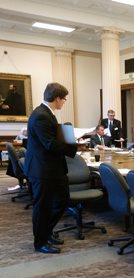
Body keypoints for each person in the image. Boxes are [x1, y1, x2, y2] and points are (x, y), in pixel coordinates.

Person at [24, 82, 78, 254]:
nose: (64, 102)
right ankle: (40, 242)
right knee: (43, 207)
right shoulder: (41, 115)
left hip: (52, 169)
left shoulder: (47, 113)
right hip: (42, 170)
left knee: (62, 200)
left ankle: (47, 232)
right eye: (64, 99)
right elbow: (49, 144)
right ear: (57, 98)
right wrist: (74, 146)